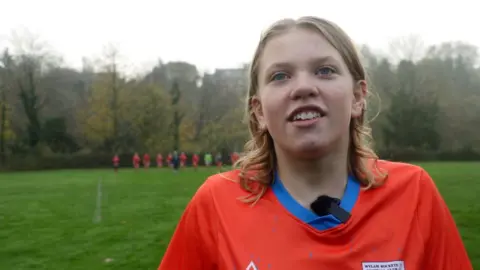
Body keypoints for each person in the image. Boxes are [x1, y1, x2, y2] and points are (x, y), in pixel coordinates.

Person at [158, 16, 472, 270]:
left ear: (358, 97)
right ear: (259, 111)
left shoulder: (415, 194)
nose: (304, 87)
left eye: (325, 70)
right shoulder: (215, 204)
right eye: (280, 76)